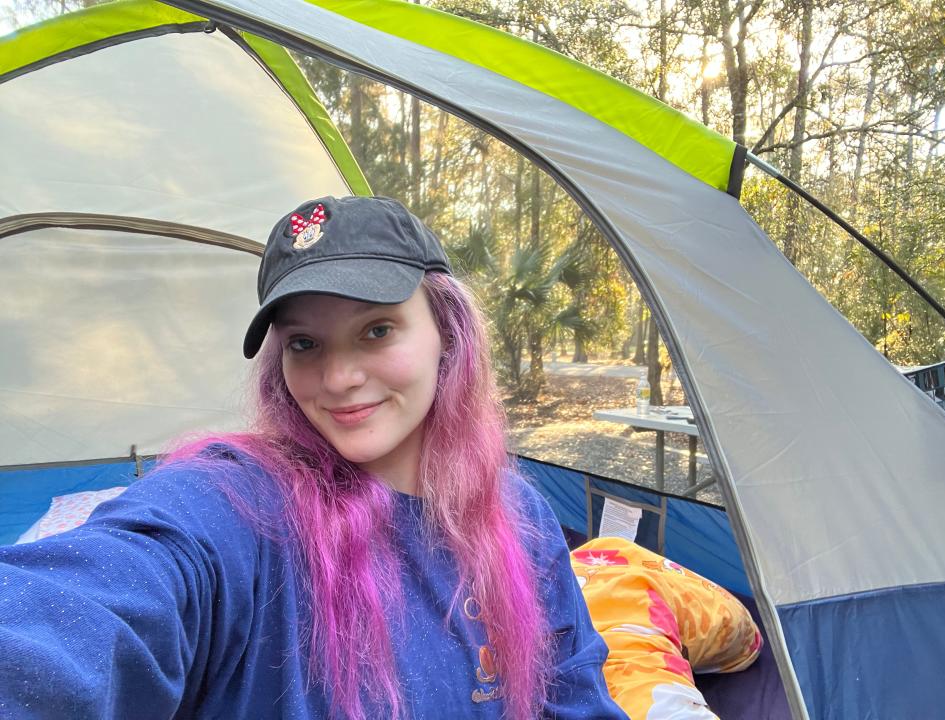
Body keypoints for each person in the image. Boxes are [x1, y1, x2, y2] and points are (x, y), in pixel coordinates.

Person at [0, 196, 628, 719]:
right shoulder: (237, 505)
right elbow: (85, 609)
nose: (338, 377)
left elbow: (574, 695)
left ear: (449, 335)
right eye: (304, 342)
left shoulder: (518, 515)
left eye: (376, 330)